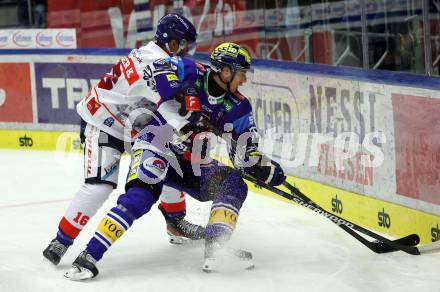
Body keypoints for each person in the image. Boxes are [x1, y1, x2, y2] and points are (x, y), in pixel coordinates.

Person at [64, 42, 286, 280]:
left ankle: (217, 250)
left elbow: (244, 153)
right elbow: (158, 69)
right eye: (241, 73)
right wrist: (179, 95)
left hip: (191, 163)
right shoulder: (192, 71)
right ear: (225, 71)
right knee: (139, 197)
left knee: (232, 183)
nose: (244, 80)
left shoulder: (240, 108)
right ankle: (87, 258)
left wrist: (264, 168)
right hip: (155, 146)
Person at [43, 13, 205, 266]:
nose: (186, 51)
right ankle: (61, 240)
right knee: (100, 186)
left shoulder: (153, 55)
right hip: (103, 122)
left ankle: (175, 222)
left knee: (169, 161)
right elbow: (169, 100)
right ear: (172, 43)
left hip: (131, 123)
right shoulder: (156, 64)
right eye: (184, 44)